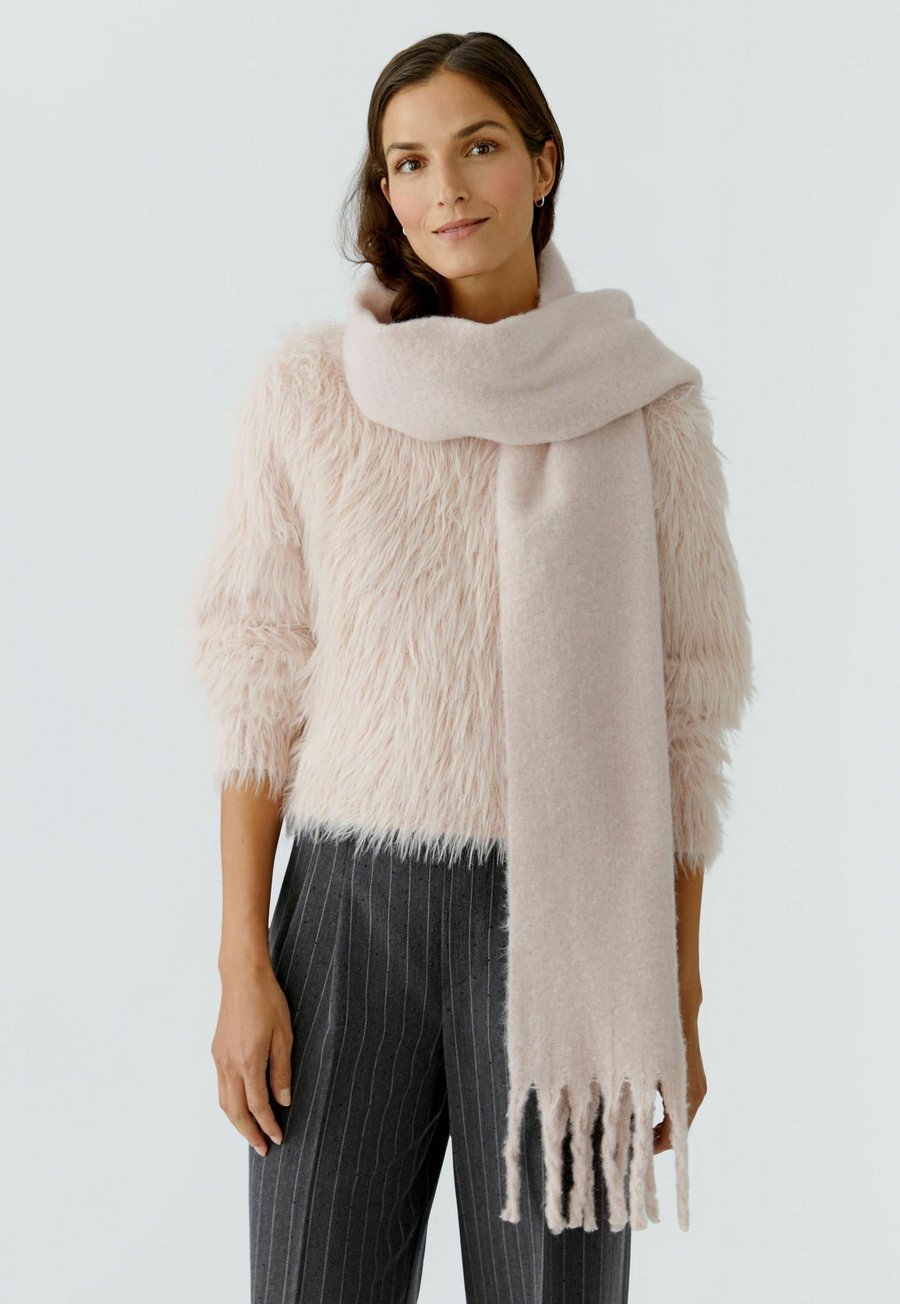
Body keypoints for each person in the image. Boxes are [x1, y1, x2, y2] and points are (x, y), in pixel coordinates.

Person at [190, 30, 754, 1304]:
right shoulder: (312, 390)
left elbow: (690, 709)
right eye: (407, 162)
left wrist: (677, 988)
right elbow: (253, 671)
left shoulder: (648, 406)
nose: (442, 188)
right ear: (384, 191)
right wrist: (241, 958)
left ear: (543, 164)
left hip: (573, 924)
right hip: (347, 916)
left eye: (478, 147)